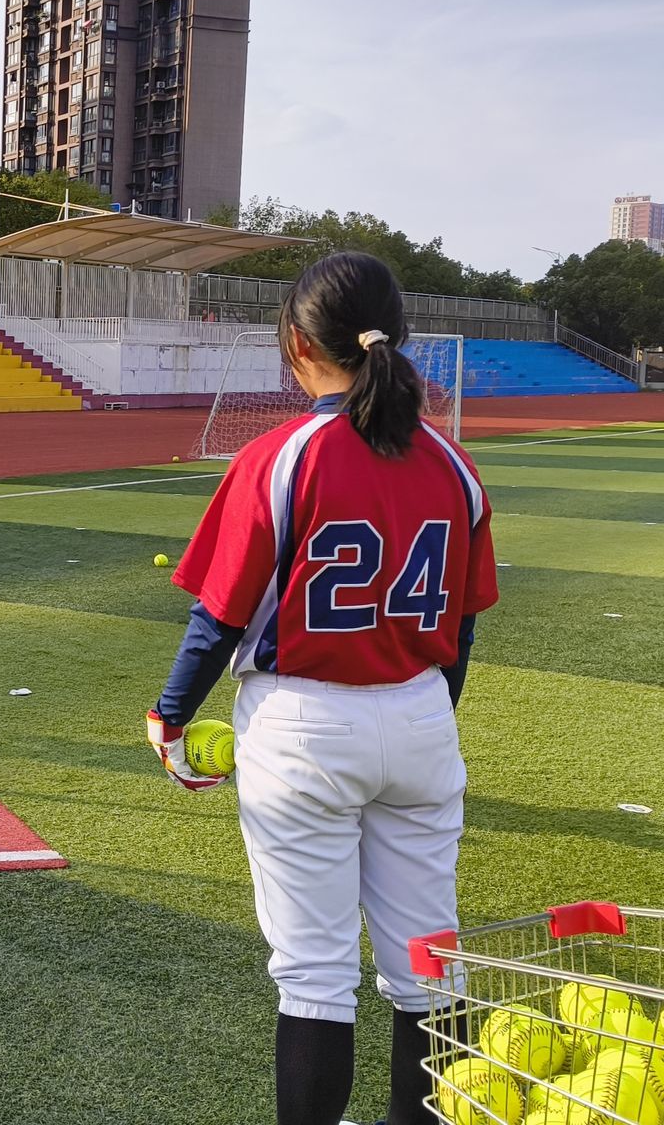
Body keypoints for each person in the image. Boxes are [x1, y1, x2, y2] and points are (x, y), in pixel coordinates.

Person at [145, 252, 498, 1125]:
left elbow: (218, 618)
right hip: (419, 715)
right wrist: (421, 714)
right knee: (428, 963)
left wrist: (169, 715)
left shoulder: (279, 456)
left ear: (297, 345)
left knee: (314, 974)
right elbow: (460, 627)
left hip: (302, 725)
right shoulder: (454, 467)